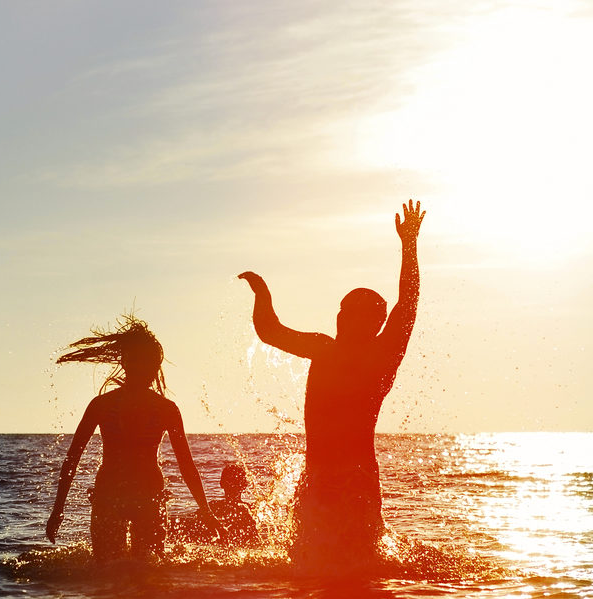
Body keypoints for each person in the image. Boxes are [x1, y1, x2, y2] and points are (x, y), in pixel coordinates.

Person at [238, 200, 425, 564]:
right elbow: (270, 332)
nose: (339, 316)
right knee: (355, 567)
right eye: (341, 310)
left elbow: (269, 331)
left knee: (314, 568)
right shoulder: (377, 355)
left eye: (347, 311)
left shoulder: (341, 351)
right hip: (344, 481)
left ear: (366, 321)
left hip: (330, 481)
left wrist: (263, 294)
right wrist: (261, 294)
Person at [45, 316, 222, 560]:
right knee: (147, 574)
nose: (145, 369)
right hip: (137, 494)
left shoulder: (108, 405)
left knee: (108, 572)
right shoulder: (158, 408)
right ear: (125, 362)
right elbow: (72, 459)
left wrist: (58, 511)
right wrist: (57, 511)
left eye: (148, 363)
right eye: (142, 362)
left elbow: (72, 460)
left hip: (121, 494)